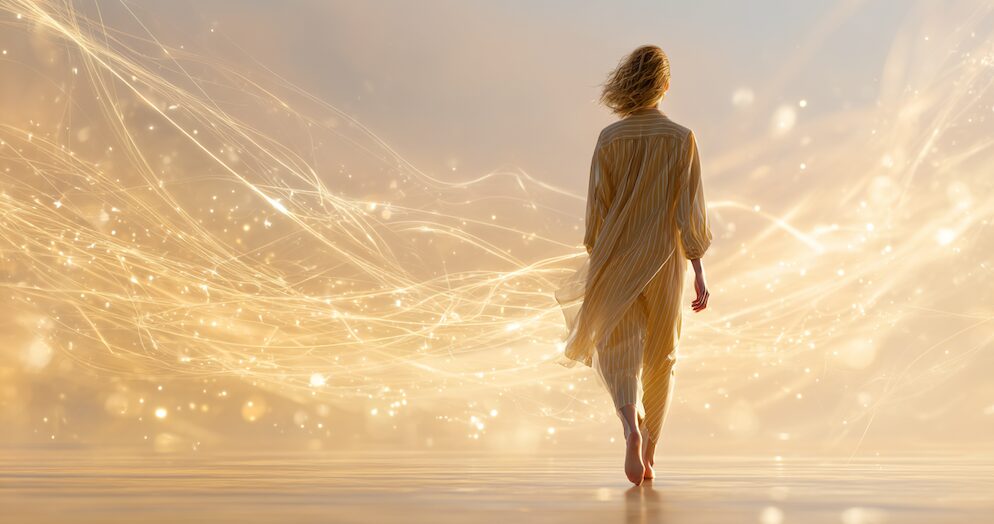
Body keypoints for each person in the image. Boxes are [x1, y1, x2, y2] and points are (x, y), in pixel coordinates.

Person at [554, 44, 713, 485]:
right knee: (662, 353)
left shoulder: (609, 139)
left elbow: (597, 209)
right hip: (663, 259)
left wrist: (599, 255)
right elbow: (690, 210)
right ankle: (650, 449)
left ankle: (629, 427)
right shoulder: (681, 138)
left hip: (615, 256)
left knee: (617, 347)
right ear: (664, 85)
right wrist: (698, 268)